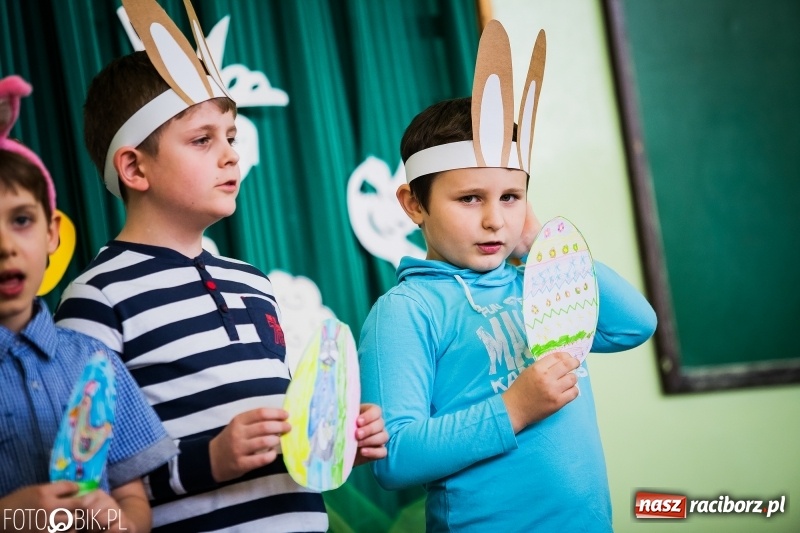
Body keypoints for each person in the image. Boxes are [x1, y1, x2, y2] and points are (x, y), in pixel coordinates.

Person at [53, 2, 387, 531]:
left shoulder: (252, 282)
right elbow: (90, 488)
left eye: (230, 135)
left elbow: (277, 443)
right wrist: (208, 461)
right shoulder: (98, 297)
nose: (230, 155)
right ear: (135, 167)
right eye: (203, 139)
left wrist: (330, 437)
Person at [358, 93, 657, 530]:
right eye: (470, 199)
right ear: (414, 204)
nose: (495, 220)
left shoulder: (538, 283)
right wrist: (514, 408)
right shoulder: (406, 311)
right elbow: (395, 457)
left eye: (511, 197)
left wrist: (541, 243)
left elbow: (637, 324)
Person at [0, 74, 177, 533]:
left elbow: (132, 498)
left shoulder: (93, 361)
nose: (5, 246)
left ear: (51, 233)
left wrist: (122, 523)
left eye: (20, 220)